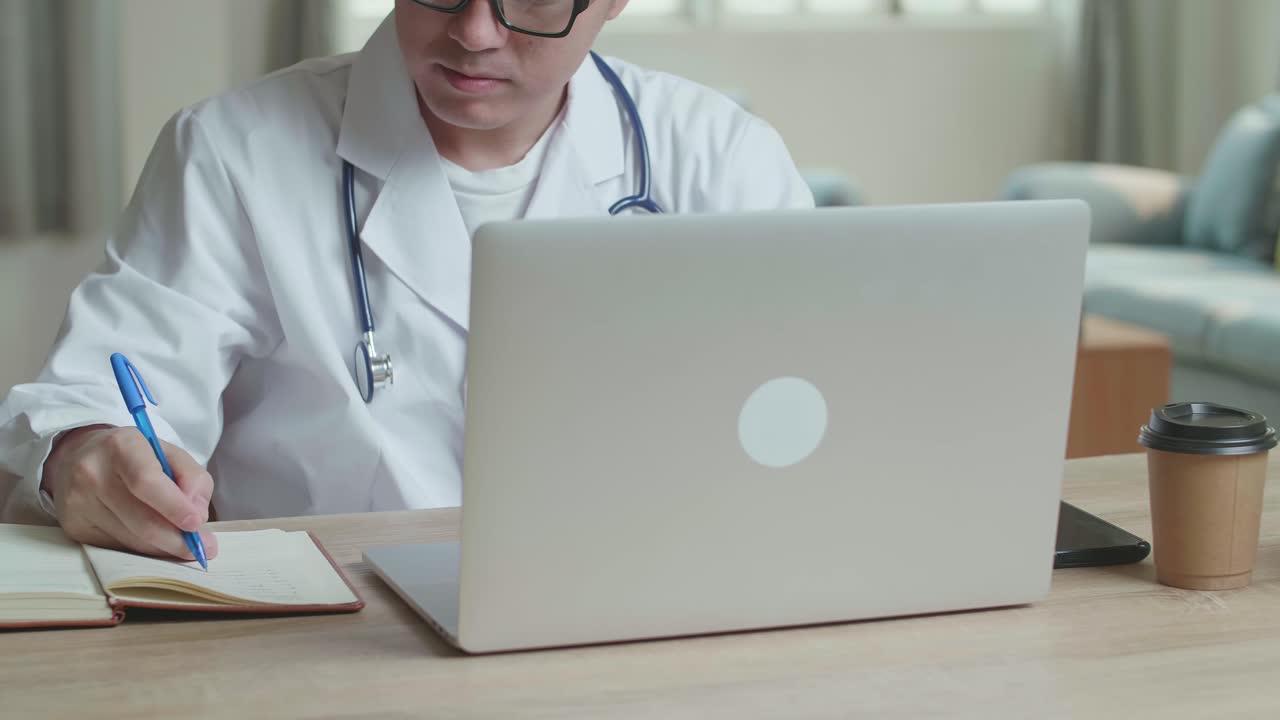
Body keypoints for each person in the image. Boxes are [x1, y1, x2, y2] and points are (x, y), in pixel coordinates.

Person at [0, 0, 814, 561]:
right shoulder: (230, 151)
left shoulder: (720, 158)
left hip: (636, 614)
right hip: (324, 629)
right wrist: (87, 455)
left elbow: (814, 418)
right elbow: (101, 395)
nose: (475, 32)